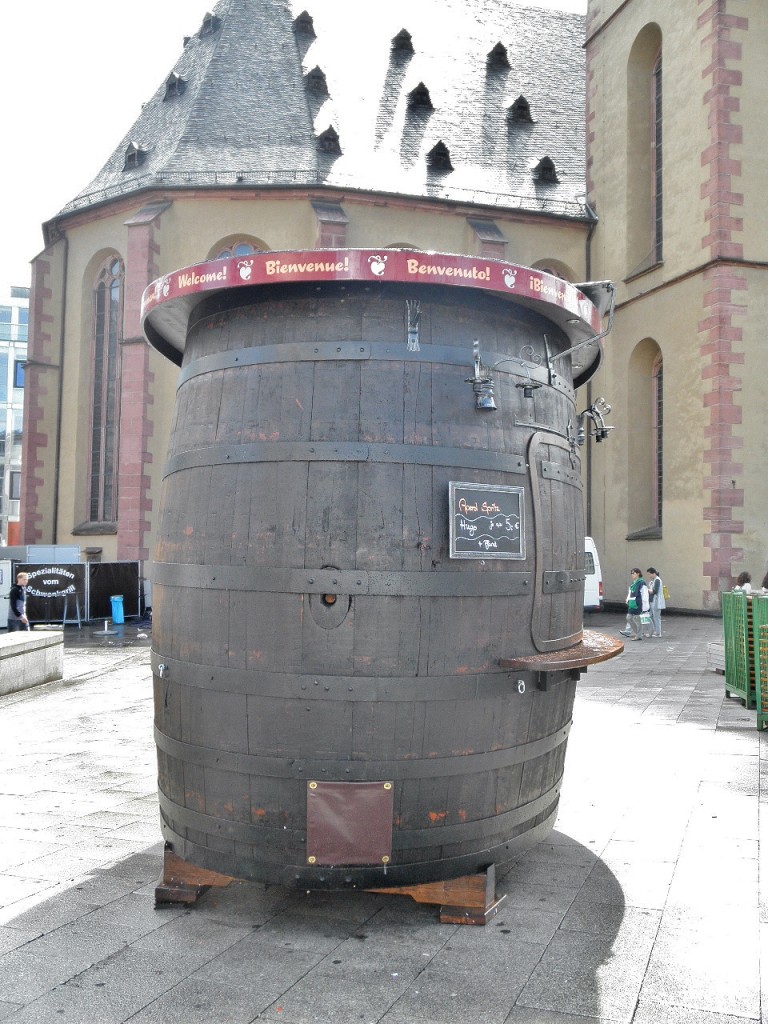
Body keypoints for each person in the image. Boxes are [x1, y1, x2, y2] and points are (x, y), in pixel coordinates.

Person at [625, 568, 649, 641]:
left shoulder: (642, 583)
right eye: (631, 573)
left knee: (637, 619)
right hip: (632, 603)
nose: (632, 575)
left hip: (638, 603)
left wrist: (644, 605)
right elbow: (630, 592)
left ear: (638, 573)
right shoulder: (633, 583)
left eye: (634, 573)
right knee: (629, 617)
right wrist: (627, 599)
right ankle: (638, 633)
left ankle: (638, 635)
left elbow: (645, 594)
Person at [646, 567, 665, 637]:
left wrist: (647, 590)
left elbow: (655, 591)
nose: (649, 576)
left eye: (649, 574)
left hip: (656, 601)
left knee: (656, 617)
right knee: (650, 616)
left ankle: (658, 633)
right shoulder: (654, 580)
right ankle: (653, 631)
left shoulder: (657, 580)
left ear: (653, 573)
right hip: (652, 601)